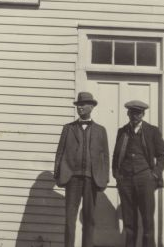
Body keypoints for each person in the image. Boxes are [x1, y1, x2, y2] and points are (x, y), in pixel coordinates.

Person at [54, 92, 109, 247]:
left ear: (91, 107)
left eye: (84, 104)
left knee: (89, 218)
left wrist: (104, 178)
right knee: (70, 219)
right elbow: (59, 153)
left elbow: (105, 156)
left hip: (91, 179)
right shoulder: (68, 128)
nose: (80, 108)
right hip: (72, 179)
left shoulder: (100, 130)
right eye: (78, 105)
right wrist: (58, 175)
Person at [112, 100, 164, 247]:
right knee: (129, 222)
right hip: (126, 182)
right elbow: (116, 156)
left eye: (138, 113)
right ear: (128, 113)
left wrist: (155, 174)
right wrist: (117, 175)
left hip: (146, 180)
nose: (135, 116)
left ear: (143, 114)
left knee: (148, 221)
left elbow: (163, 156)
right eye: (132, 112)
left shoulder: (152, 131)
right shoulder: (122, 131)